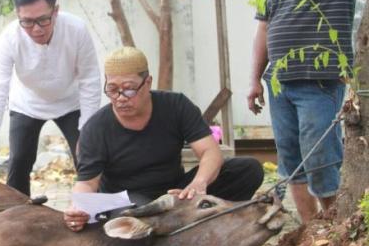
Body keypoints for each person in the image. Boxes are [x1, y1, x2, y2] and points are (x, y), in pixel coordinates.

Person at [247, 0, 369, 223]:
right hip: (278, 83)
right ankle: (309, 230)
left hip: (319, 84)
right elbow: (263, 29)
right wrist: (253, 80)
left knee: (320, 158)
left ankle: (334, 227)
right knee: (290, 161)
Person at [64, 47, 263, 231]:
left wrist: (198, 184)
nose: (121, 97)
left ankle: (211, 222)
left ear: (148, 83)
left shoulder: (176, 105)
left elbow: (210, 152)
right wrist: (78, 207)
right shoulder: (97, 127)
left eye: (129, 88)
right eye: (112, 89)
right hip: (129, 200)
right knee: (142, 215)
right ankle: (183, 225)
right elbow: (88, 183)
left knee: (247, 169)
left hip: (176, 191)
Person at [0, 0, 101, 196]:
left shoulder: (76, 30)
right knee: (19, 162)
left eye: (43, 20)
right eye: (27, 22)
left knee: (88, 159)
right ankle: (17, 222)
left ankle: (95, 215)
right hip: (27, 104)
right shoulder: (9, 38)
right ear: (18, 16)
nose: (36, 29)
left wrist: (86, 132)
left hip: (70, 102)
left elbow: (90, 80)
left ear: (55, 11)